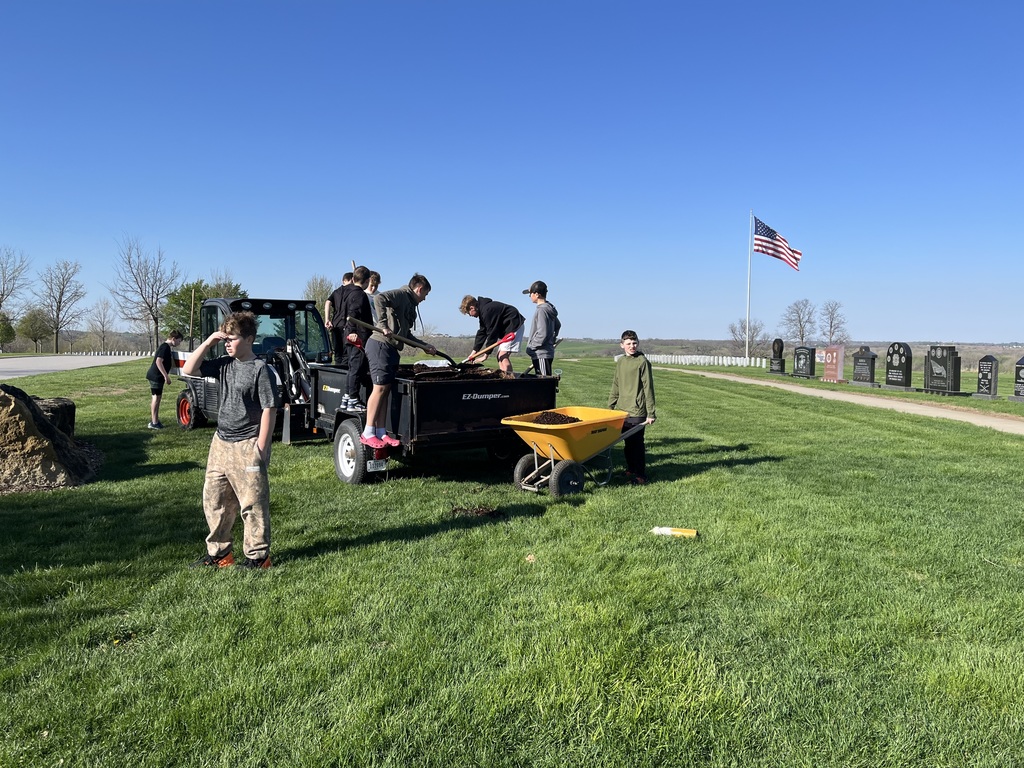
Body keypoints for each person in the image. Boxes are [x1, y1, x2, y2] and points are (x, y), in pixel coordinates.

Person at [183, 311, 281, 569]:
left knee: (252, 504)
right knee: (215, 501)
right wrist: (208, 342)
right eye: (225, 338)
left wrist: (262, 446)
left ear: (249, 339)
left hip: (247, 443)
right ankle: (220, 554)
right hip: (220, 443)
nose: (227, 343)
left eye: (232, 338)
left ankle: (258, 558)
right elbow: (188, 369)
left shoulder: (260, 370)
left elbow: (269, 408)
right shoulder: (224, 364)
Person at [364, 274, 436, 449]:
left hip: (392, 349)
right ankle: (367, 433)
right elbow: (380, 298)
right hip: (379, 345)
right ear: (419, 289)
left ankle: (381, 432)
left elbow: (405, 335)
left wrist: (424, 345)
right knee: (379, 388)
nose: (425, 298)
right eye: (425, 294)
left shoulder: (409, 304)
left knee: (386, 390)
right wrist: (383, 324)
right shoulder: (402, 294)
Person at [608, 330, 656, 485]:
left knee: (636, 444)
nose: (632, 346)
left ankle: (641, 475)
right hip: (622, 409)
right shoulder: (621, 361)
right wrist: (610, 405)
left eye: (634, 343)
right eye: (628, 343)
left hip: (637, 410)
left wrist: (651, 413)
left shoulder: (642, 362)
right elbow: (616, 384)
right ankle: (631, 469)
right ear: (622, 345)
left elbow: (648, 387)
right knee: (627, 443)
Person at [459, 294, 525, 374]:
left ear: (472, 308)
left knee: (502, 355)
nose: (470, 316)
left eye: (468, 313)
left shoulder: (487, 311)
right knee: (500, 356)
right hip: (509, 328)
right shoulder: (483, 311)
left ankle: (509, 381)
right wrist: (474, 353)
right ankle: (505, 378)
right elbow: (482, 332)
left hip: (514, 325)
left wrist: (486, 355)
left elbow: (492, 333)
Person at [340, 265, 373, 412]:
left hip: (349, 335)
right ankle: (353, 400)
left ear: (353, 279)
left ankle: (347, 397)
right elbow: (353, 313)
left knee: (352, 368)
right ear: (367, 281)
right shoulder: (359, 295)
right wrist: (353, 331)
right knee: (357, 368)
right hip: (357, 337)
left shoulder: (347, 292)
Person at [146, 330, 183, 429]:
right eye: (179, 341)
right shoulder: (165, 347)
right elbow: (159, 362)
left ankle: (155, 421)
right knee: (156, 398)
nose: (179, 343)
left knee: (157, 398)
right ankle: (154, 422)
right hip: (156, 376)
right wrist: (166, 376)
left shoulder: (166, 347)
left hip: (156, 376)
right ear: (173, 339)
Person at [523, 280, 561, 376]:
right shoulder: (548, 308)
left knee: (544, 383)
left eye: (530, 294)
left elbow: (542, 333)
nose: (530, 297)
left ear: (537, 294)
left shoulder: (542, 310)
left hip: (541, 353)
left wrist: (532, 346)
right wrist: (552, 339)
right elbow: (558, 325)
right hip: (544, 352)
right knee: (542, 384)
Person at [324, 273, 354, 364]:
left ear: (343, 281)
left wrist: (327, 319)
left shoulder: (336, 291)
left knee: (338, 354)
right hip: (347, 325)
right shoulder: (353, 291)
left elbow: (327, 303)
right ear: (352, 280)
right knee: (346, 354)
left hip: (335, 325)